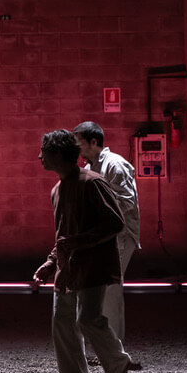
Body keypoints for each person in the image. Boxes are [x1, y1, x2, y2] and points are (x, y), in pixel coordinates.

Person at [32, 129, 139, 373]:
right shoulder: (57, 190)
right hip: (67, 268)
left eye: (43, 151)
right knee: (63, 324)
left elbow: (115, 222)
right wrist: (51, 262)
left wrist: (78, 242)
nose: (40, 156)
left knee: (87, 319)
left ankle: (117, 363)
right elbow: (63, 234)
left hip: (93, 265)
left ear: (57, 154)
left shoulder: (92, 183)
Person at [72, 121, 141, 346]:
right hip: (106, 236)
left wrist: (96, 212)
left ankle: (114, 350)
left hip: (120, 236)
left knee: (110, 291)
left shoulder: (115, 164)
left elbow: (127, 202)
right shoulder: (92, 167)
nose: (77, 149)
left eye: (80, 143)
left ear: (93, 142)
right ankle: (108, 349)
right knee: (102, 290)